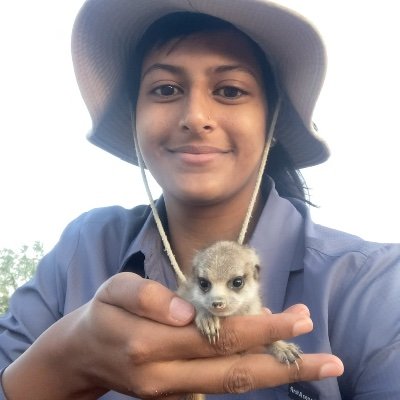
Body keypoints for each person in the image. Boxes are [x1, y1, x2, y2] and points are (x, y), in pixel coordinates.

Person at [0, 0, 399, 399]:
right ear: (135, 114)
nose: (195, 116)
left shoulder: (373, 284)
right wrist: (60, 364)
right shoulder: (83, 252)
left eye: (229, 90)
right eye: (165, 89)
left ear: (273, 120)